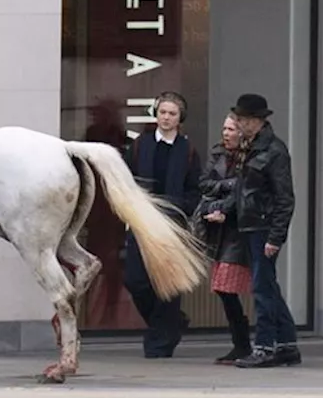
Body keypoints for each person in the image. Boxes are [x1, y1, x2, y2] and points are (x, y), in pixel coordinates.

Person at [122, 91, 201, 358]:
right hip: (142, 222)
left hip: (172, 225)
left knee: (168, 286)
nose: (166, 117)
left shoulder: (188, 150)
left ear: (180, 119)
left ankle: (160, 341)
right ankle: (169, 323)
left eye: (172, 113)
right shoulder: (139, 145)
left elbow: (194, 189)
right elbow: (126, 181)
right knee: (136, 281)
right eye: (162, 112)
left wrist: (180, 209)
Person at [228, 94, 300, 368]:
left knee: (261, 288)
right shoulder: (252, 147)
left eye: (244, 119)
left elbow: (285, 198)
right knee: (268, 286)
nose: (240, 123)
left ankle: (265, 346)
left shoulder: (274, 151)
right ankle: (287, 344)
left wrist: (275, 236)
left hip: (263, 226)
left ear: (257, 121)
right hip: (251, 225)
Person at [195, 113, 252, 364]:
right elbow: (204, 183)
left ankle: (244, 343)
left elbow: (244, 191)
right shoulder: (217, 154)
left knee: (227, 287)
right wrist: (227, 186)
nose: (226, 133)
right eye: (224, 128)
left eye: (231, 129)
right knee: (223, 288)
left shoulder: (249, 158)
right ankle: (241, 344)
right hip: (217, 230)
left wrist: (224, 207)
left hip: (238, 230)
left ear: (241, 133)